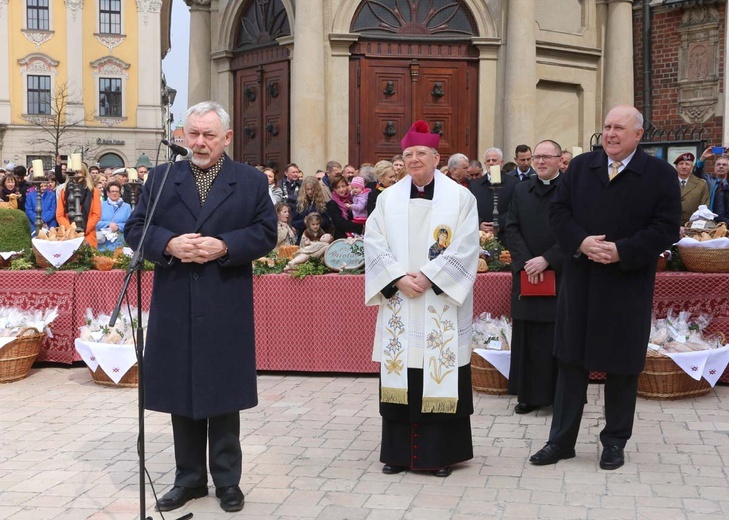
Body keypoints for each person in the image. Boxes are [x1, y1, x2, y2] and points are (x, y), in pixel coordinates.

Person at [124, 101, 277, 513]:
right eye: (193, 134)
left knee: (223, 394)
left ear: (226, 138)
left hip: (224, 298)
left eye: (209, 135)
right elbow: (136, 227)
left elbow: (266, 233)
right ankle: (188, 479)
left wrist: (226, 245)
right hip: (176, 298)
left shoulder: (248, 181)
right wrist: (168, 244)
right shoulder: (161, 177)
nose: (199, 142)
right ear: (182, 135)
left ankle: (228, 481)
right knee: (183, 393)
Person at [529, 105, 680, 470]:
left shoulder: (659, 174)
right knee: (570, 363)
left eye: (619, 128)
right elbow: (559, 212)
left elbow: (667, 228)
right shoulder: (582, 166)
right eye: (607, 127)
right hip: (581, 282)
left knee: (622, 367)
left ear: (638, 135)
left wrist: (622, 251)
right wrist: (580, 242)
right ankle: (560, 441)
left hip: (626, 285)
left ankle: (614, 442)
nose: (610, 134)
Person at [364, 120, 479, 478]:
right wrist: (397, 277)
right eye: (408, 154)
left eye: (421, 154)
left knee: (439, 369)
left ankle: (440, 454)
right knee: (403, 373)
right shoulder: (387, 198)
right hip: (400, 298)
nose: (414, 159)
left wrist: (430, 276)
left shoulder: (461, 197)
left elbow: (466, 246)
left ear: (436, 156)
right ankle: (397, 454)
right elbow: (373, 243)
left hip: (439, 300)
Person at [504, 139, 566, 414]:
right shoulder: (521, 190)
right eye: (537, 157)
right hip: (526, 273)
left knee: (557, 334)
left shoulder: (571, 190)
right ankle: (527, 396)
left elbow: (578, 231)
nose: (540, 162)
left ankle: (559, 396)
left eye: (547, 157)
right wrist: (527, 261)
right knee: (527, 335)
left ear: (559, 160)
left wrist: (548, 259)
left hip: (561, 274)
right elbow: (511, 226)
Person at [469, 147, 518, 246]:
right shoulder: (475, 185)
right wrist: (479, 223)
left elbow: (516, 208)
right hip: (482, 236)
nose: (491, 163)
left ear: (501, 162)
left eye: (494, 160)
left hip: (506, 236)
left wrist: (499, 224)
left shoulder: (514, 183)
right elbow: (470, 209)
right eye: (488, 161)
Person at [56, 164, 102, 248]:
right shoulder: (64, 192)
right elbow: (60, 215)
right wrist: (71, 230)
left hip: (88, 234)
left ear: (84, 174)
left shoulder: (93, 191)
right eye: (74, 173)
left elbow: (96, 214)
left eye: (80, 172)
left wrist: (84, 229)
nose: (76, 175)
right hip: (68, 235)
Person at [96, 181, 131, 252]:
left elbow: (129, 225)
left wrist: (118, 226)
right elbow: (95, 222)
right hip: (103, 244)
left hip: (119, 243)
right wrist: (108, 224)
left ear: (120, 193)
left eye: (117, 191)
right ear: (108, 193)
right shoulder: (101, 205)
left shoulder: (127, 207)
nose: (114, 193)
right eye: (112, 191)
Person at [292, 176, 331, 241]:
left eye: (312, 189)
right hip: (303, 237)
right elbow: (294, 222)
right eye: (308, 189)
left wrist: (317, 222)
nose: (310, 192)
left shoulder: (322, 203)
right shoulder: (299, 203)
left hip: (319, 238)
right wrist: (304, 222)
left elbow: (328, 222)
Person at [674, 152, 709, 225]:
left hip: (693, 227)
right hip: (671, 226)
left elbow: (704, 208)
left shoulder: (701, 184)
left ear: (692, 167)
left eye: (687, 164)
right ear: (676, 167)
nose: (684, 167)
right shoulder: (667, 182)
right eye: (681, 164)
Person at [326, 175, 363, 239]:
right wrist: (360, 227)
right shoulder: (331, 204)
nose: (341, 190)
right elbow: (340, 223)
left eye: (343, 186)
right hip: (342, 238)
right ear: (334, 189)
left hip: (357, 236)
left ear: (347, 186)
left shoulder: (353, 199)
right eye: (338, 187)